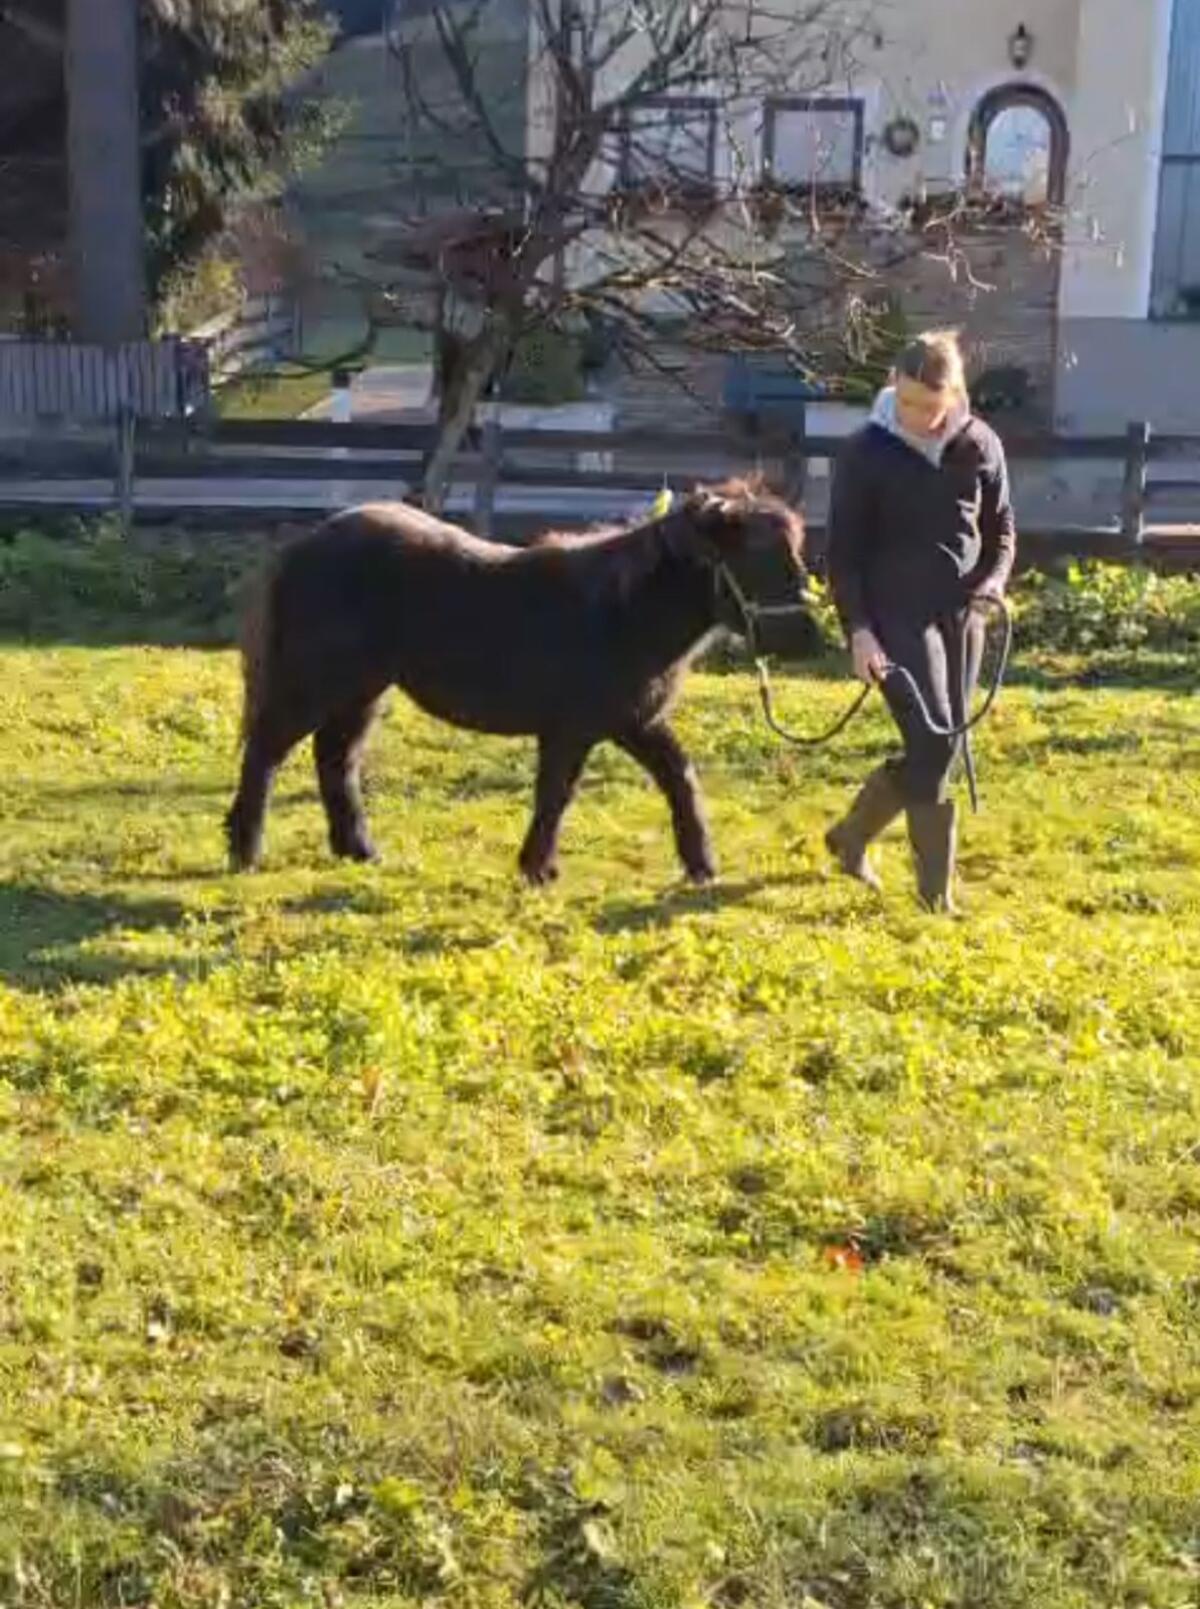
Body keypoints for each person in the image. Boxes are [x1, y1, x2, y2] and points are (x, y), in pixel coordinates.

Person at [824, 330, 1016, 912]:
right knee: (933, 744)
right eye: (907, 403)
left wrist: (992, 583)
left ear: (953, 395)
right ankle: (937, 899)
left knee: (944, 747)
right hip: (891, 619)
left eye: (930, 408)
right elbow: (844, 553)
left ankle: (850, 836)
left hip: (963, 619)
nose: (917, 418)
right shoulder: (865, 453)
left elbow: (1002, 530)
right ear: (893, 388)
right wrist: (858, 629)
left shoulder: (980, 445)